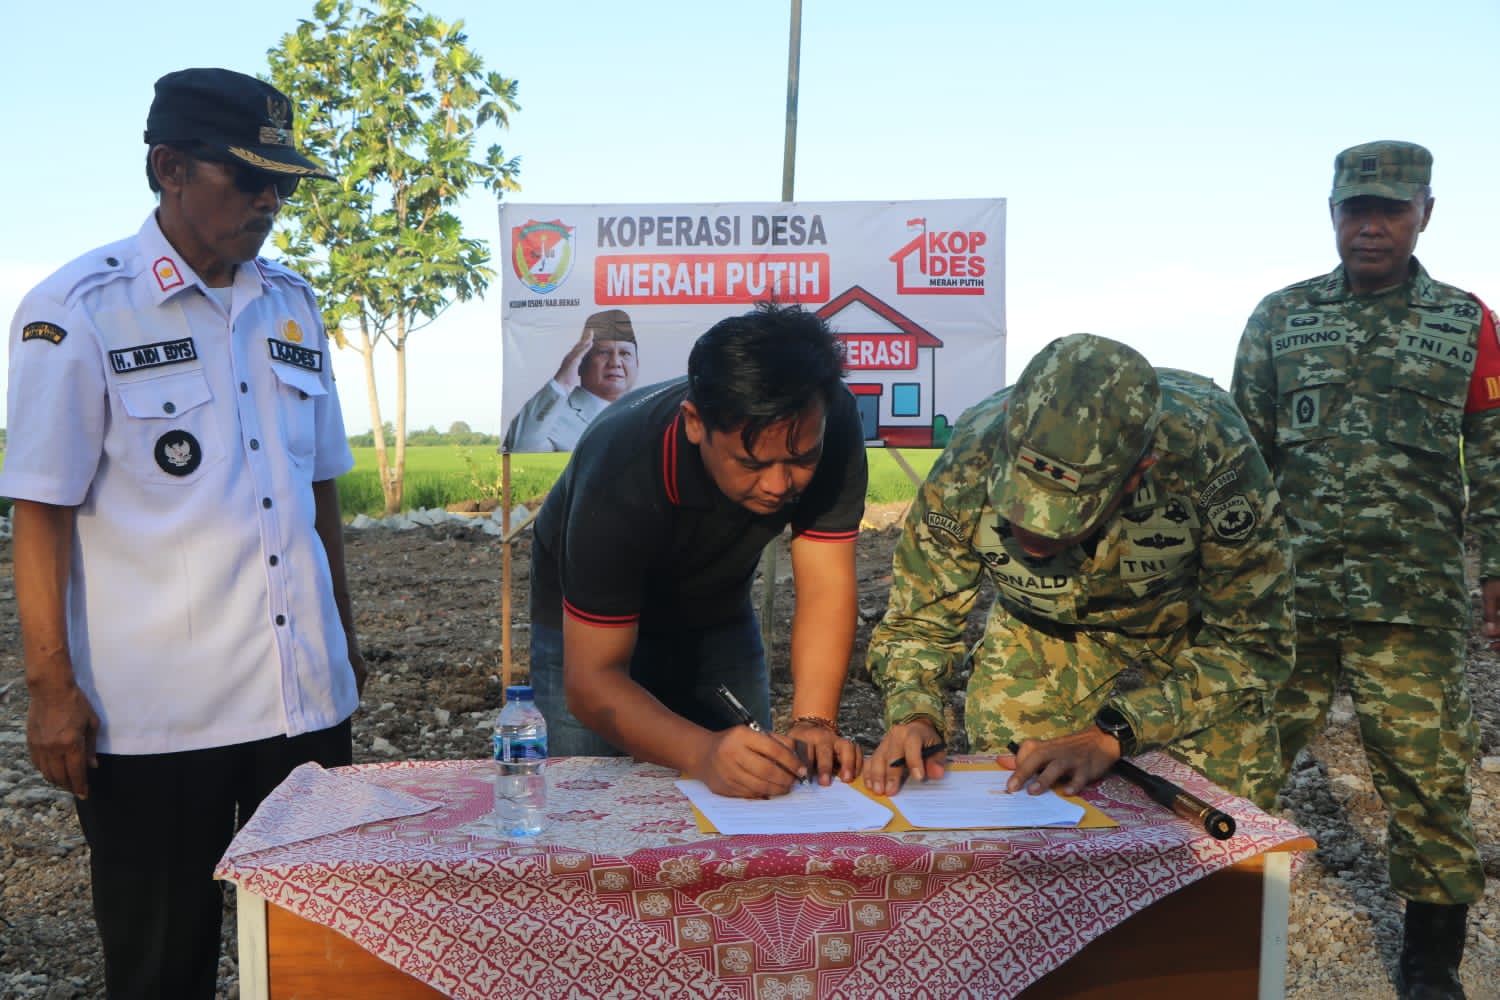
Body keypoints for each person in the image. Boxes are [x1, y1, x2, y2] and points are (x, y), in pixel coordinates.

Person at [0, 68, 363, 999]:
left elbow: (319, 491)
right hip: (157, 720)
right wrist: (50, 688)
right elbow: (39, 510)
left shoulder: (292, 305)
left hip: (302, 707)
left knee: (322, 956)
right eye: (248, 179)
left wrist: (343, 646)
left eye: (282, 182)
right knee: (163, 965)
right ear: (168, 167)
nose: (271, 202)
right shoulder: (77, 311)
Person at [1231, 140, 1492, 999]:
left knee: (1426, 779)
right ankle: (1210, 926)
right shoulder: (1281, 317)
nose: (1370, 226)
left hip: (1410, 602)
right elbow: (1244, 462)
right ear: (1333, 212)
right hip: (1289, 599)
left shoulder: (1467, 323)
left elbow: (1494, 458)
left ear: (1425, 212)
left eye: (1389, 209)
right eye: (1355, 208)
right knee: (1243, 761)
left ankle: (1429, 969)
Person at [865, 333, 1294, 813]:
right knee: (1016, 799)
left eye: (1066, 516)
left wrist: (1115, 733)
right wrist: (916, 713)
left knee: (1223, 821)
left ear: (1137, 473)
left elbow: (1255, 644)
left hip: (1185, 629)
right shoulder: (970, 458)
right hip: (1041, 629)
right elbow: (919, 622)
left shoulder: (1210, 450)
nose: (1033, 532)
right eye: (1018, 501)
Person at [528, 303, 868, 797]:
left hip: (715, 610)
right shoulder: (620, 470)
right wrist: (701, 752)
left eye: (800, 461)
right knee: (591, 799)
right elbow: (592, 681)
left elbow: (826, 584)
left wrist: (815, 721)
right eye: (751, 463)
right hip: (585, 628)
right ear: (694, 423)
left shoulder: (828, 421)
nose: (778, 486)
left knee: (755, 780)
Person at [503, 308, 640, 452]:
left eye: (625, 353)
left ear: (637, 364)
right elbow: (521, 449)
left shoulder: (644, 412)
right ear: (580, 362)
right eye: (604, 352)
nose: (615, 362)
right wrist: (562, 382)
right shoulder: (551, 416)